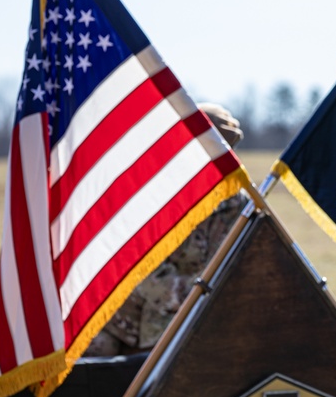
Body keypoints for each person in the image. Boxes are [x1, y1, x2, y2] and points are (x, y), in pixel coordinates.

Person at [85, 102, 249, 356]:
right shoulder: (152, 200)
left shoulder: (243, 208)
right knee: (91, 366)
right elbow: (145, 278)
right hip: (133, 324)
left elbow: (245, 274)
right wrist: (201, 291)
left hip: (205, 325)